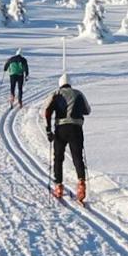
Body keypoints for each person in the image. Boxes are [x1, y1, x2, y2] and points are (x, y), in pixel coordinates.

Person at [43, 73, 90, 202]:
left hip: (61, 129)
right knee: (77, 156)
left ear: (60, 83)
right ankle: (81, 184)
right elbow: (87, 110)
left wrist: (48, 130)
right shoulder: (79, 93)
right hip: (76, 129)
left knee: (58, 157)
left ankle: (58, 186)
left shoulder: (56, 94)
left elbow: (47, 111)